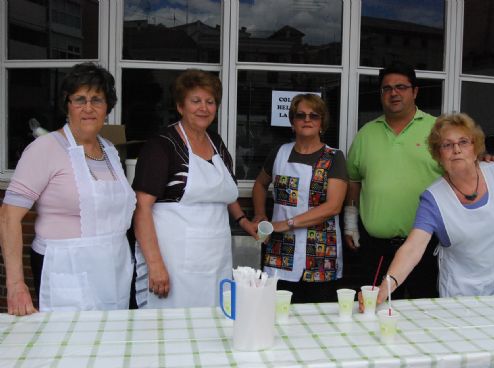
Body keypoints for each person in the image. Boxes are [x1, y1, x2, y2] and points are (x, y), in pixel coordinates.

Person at [0, 62, 136, 315]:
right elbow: (9, 216)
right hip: (66, 268)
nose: (88, 108)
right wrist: (16, 284)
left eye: (97, 100)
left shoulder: (110, 150)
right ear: (67, 105)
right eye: (79, 99)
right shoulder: (45, 149)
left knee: (111, 346)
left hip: (114, 268)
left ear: (107, 107)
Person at [377, 113, 494, 303]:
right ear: (438, 155)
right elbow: (413, 248)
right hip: (461, 296)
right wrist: (385, 288)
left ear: (475, 148)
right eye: (447, 145)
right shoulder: (433, 198)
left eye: (463, 142)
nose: (456, 149)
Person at [132, 69, 257, 309]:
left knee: (213, 321)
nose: (204, 108)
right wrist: (155, 264)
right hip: (173, 259)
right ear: (180, 106)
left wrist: (243, 221)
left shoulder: (216, 142)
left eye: (210, 102)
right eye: (196, 101)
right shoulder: (162, 145)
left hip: (216, 256)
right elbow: (142, 208)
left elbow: (226, 191)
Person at [345, 62, 441, 299]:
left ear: (415, 91)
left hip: (425, 246)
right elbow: (354, 180)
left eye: (401, 87)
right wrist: (350, 222)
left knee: (423, 310)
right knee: (374, 308)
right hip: (376, 247)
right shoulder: (366, 133)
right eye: (386, 88)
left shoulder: (438, 130)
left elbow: (461, 169)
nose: (393, 93)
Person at [252, 94, 348, 303]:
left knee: (318, 319)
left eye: (314, 115)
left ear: (322, 122)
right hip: (281, 252)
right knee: (277, 313)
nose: (307, 120)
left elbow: (333, 206)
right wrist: (260, 214)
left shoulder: (334, 157)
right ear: (292, 122)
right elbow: (260, 184)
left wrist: (286, 224)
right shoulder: (279, 153)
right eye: (301, 115)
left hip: (320, 255)